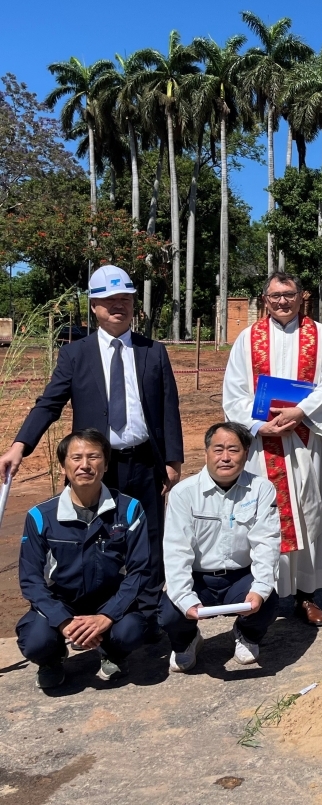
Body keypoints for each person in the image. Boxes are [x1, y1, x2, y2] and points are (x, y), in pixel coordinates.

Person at [1, 265, 182, 635]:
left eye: (126, 300)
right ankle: (99, 616)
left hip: (146, 462)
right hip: (97, 468)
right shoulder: (76, 355)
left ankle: (142, 621)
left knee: (148, 539)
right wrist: (20, 446)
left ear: (134, 305)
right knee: (100, 540)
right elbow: (49, 403)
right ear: (95, 306)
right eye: (110, 301)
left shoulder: (153, 352)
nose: (119, 306)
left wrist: (173, 462)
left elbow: (168, 409)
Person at [222, 271, 322, 627]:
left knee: (309, 512)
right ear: (265, 299)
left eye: (288, 295)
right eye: (275, 296)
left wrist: (300, 411)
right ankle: (267, 591)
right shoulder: (247, 339)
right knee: (266, 516)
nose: (282, 302)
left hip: (306, 440)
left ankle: (306, 594)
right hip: (264, 444)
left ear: (301, 296)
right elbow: (235, 393)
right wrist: (260, 425)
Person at [17, 429, 151, 688]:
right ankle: (52, 660)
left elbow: (140, 571)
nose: (85, 465)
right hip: (63, 601)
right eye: (76, 458)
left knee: (132, 631)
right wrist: (63, 621)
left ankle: (111, 653)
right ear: (64, 467)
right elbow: (31, 580)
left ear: (106, 464)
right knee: (35, 642)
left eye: (93, 457)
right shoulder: (40, 516)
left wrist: (107, 617)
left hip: (109, 599)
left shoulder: (130, 509)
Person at [159, 422, 281, 672]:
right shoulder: (184, 493)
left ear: (246, 454)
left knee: (268, 598)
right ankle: (186, 641)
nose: (225, 457)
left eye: (234, 450)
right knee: (169, 611)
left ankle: (247, 634)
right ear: (206, 452)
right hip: (199, 579)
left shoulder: (262, 489)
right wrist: (184, 598)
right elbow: (176, 550)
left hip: (239, 578)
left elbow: (266, 543)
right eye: (218, 449)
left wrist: (259, 589)